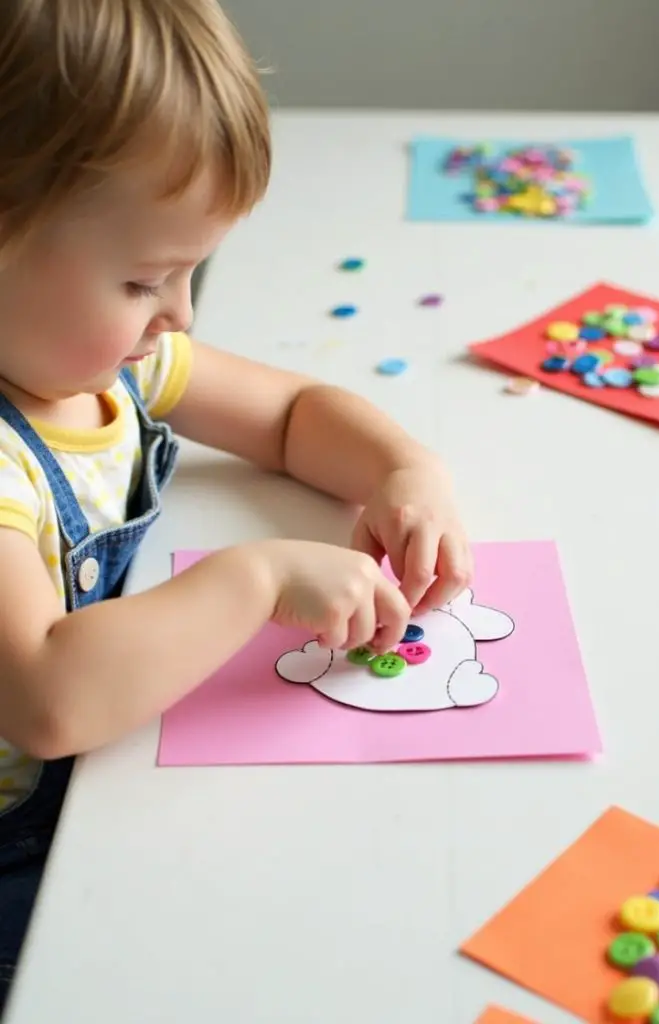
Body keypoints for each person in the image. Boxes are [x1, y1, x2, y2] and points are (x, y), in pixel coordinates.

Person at [0, 0, 471, 1010]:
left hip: (118, 797)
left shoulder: (100, 360)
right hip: (25, 873)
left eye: (188, 274)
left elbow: (293, 413)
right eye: (142, 279)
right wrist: (253, 578)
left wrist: (401, 468)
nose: (178, 315)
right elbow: (49, 697)